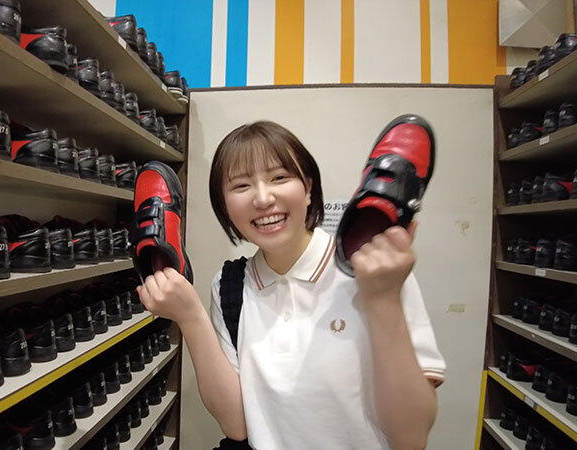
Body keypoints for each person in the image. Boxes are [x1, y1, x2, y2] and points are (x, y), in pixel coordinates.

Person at [136, 121, 446, 449]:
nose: (263, 198)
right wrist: (189, 317)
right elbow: (237, 425)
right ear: (225, 207)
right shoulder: (228, 287)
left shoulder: (379, 270)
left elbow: (411, 438)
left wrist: (383, 299)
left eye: (280, 178)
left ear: (309, 188)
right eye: (241, 185)